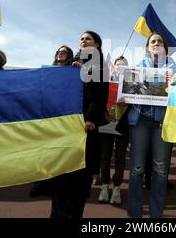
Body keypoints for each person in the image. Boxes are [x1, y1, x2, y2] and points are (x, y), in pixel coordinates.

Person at [50, 31, 109, 219]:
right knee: (61, 174)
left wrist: (91, 119)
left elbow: (99, 95)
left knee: (80, 176)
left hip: (85, 126)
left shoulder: (100, 67)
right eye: (81, 38)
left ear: (97, 45)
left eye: (88, 38)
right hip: (65, 125)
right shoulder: (70, 65)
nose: (83, 41)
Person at [127, 32, 176, 218]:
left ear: (165, 47)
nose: (156, 43)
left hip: (163, 123)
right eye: (153, 41)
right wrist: (122, 89)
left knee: (160, 170)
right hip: (140, 122)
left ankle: (156, 216)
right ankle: (134, 216)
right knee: (136, 169)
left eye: (159, 41)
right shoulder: (135, 69)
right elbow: (126, 94)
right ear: (148, 47)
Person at [29, 45, 75, 199]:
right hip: (46, 114)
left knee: (59, 150)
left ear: (69, 56)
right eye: (59, 52)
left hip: (63, 116)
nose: (60, 54)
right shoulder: (47, 71)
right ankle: (40, 181)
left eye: (64, 52)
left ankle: (55, 182)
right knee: (43, 148)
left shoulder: (73, 71)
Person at [98, 56, 129, 205]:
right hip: (106, 122)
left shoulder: (132, 83)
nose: (121, 67)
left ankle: (116, 188)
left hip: (124, 124)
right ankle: (104, 186)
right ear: (114, 67)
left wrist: (128, 100)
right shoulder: (105, 81)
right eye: (118, 64)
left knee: (120, 157)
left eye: (124, 65)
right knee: (105, 155)